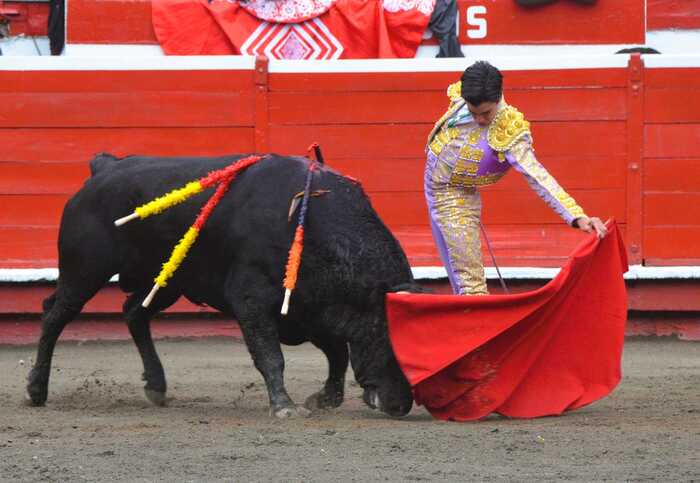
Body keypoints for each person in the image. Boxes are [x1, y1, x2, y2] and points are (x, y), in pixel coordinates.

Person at [424, 60, 607, 295]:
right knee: (455, 272)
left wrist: (576, 216)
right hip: (432, 186)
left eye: (486, 113)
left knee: (469, 284)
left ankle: (478, 317)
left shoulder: (509, 129)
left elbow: (537, 176)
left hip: (455, 196)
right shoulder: (463, 92)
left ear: (498, 97)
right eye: (473, 112)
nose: (480, 119)